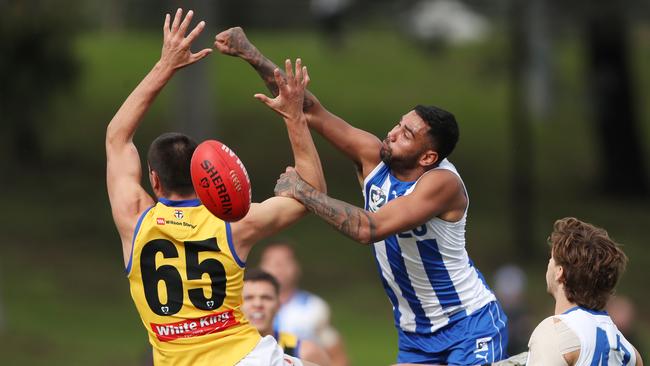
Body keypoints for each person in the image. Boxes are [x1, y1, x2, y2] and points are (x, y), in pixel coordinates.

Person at [214, 27, 508, 365]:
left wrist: (303, 191)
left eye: (406, 134)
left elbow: (368, 229)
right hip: (415, 335)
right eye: (399, 124)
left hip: (468, 325)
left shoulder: (442, 185)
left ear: (427, 157)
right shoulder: (373, 155)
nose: (393, 133)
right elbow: (310, 110)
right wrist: (250, 54)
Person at [106, 9, 325, 366]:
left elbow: (117, 138)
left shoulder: (134, 220)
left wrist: (166, 65)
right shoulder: (234, 224)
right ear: (201, 178)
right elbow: (312, 193)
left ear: (154, 179)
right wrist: (294, 116)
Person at [526, 217, 644, 365]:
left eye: (552, 259)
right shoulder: (631, 353)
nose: (548, 263)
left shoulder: (554, 333)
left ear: (560, 272)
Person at [260, 243, 349, 366]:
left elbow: (337, 356)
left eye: (284, 262)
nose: (278, 268)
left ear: (296, 267)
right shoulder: (244, 306)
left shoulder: (314, 307)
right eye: (272, 262)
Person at [242, 268, 331, 366]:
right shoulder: (225, 348)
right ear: (237, 306)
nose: (258, 304)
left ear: (279, 305)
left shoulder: (306, 352)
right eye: (248, 298)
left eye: (266, 297)